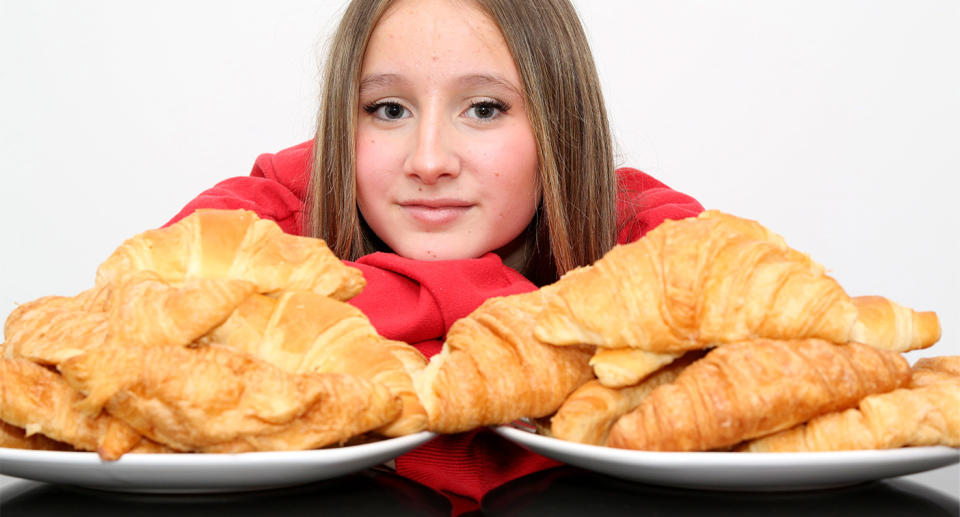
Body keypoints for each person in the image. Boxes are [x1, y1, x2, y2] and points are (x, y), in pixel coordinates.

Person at [167, 0, 703, 513]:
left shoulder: (652, 238)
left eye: (484, 109)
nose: (428, 160)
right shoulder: (270, 211)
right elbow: (152, 313)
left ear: (559, 124)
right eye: (390, 110)